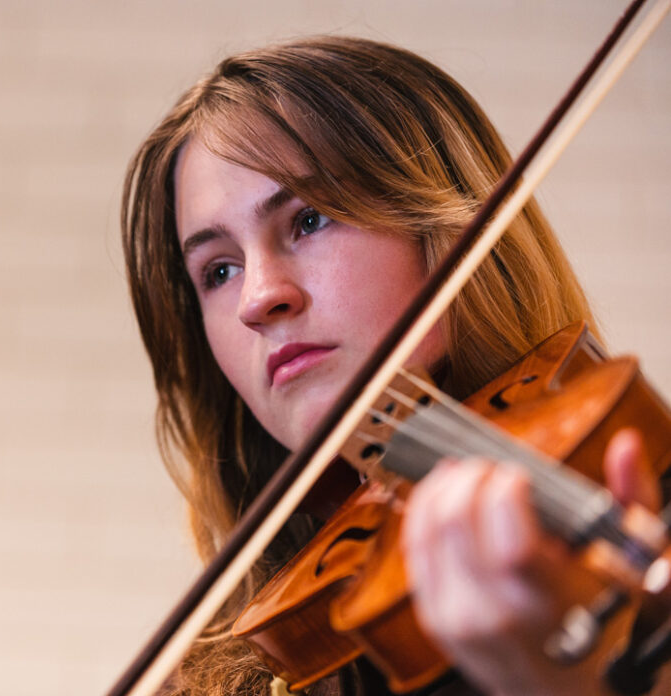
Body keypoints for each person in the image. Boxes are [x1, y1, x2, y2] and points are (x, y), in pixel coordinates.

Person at [120, 36, 664, 696]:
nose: (260, 298)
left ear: (445, 223)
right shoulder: (219, 672)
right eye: (219, 270)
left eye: (309, 219)